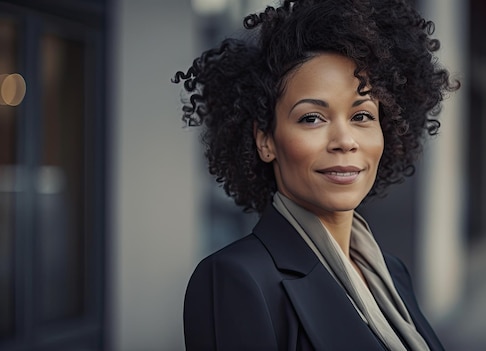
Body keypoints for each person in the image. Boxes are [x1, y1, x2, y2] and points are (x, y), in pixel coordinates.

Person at [173, 0, 458, 349]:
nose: (345, 141)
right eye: (312, 118)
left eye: (362, 116)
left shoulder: (391, 272)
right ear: (265, 140)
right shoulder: (234, 280)